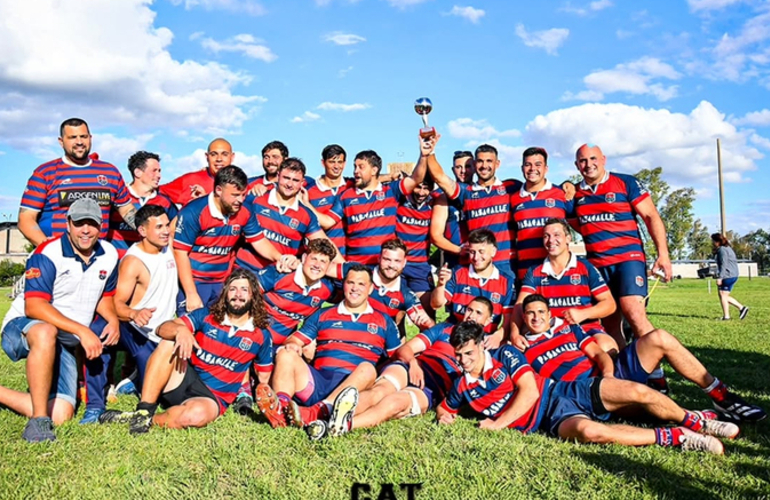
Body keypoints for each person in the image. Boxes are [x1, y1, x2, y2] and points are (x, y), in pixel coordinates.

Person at [436, 321, 736, 455]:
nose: (464, 361)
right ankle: (677, 436)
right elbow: (445, 406)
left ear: (482, 346)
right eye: (458, 355)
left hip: (561, 392)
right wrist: (443, 415)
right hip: (550, 420)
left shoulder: (505, 354)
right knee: (591, 432)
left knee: (637, 392)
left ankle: (697, 421)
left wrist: (497, 424)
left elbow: (530, 391)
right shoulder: (462, 385)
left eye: (469, 353)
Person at [520, 294, 766, 422]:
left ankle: (721, 396)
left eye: (541, 312)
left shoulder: (567, 329)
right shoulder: (523, 350)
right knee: (649, 407)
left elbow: (598, 354)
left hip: (611, 374)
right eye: (530, 313)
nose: (536, 317)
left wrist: (609, 375)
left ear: (549, 314)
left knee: (659, 337)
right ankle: (699, 417)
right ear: (523, 318)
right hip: (592, 393)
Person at [0, 198, 119, 442]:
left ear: (101, 226)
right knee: (46, 331)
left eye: (92, 224)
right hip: (22, 328)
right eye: (79, 223)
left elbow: (104, 297)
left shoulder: (109, 254)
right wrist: (82, 331)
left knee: (63, 414)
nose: (85, 230)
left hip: (62, 339)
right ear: (68, 224)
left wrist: (113, 319)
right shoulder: (47, 252)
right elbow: (34, 306)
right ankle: (38, 421)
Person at [98, 269, 273, 434]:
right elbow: (161, 329)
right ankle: (144, 410)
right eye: (233, 289)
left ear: (253, 296)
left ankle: (140, 419)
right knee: (169, 341)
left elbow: (264, 377)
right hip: (182, 377)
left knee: (195, 416)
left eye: (244, 290)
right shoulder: (207, 315)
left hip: (212, 397)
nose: (238, 294)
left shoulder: (261, 335)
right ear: (226, 293)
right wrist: (180, 330)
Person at [304, 297, 494, 439]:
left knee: (395, 404)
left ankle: (339, 426)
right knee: (380, 391)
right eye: (469, 310)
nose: (471, 316)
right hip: (414, 367)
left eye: (478, 313)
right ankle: (329, 414)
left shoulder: (488, 351)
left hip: (434, 387)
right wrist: (413, 363)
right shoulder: (444, 329)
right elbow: (405, 349)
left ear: (488, 320)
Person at [255, 264, 401, 432]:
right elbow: (294, 339)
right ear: (344, 285)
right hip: (318, 381)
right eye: (350, 282)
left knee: (368, 369)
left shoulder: (384, 321)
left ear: (370, 289)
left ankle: (318, 411)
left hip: (353, 387)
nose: (355, 288)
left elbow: (396, 357)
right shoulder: (323, 314)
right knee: (286, 353)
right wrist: (294, 345)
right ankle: (281, 409)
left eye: (361, 284)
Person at [79, 205, 180, 423]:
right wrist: (134, 313)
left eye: (166, 225)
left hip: (159, 333)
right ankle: (95, 407)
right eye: (159, 227)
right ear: (142, 231)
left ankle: (135, 380)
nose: (165, 231)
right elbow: (116, 303)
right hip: (134, 329)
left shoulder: (168, 245)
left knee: (165, 397)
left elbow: (183, 217)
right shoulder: (133, 262)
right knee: (98, 331)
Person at [571, 144, 672, 344]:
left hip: (628, 259)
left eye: (593, 158)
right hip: (597, 264)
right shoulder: (574, 193)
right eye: (583, 160)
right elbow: (578, 225)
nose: (589, 164)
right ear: (577, 165)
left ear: (604, 160)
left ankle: (658, 360)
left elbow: (651, 216)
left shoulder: (626, 182)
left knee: (633, 312)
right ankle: (622, 362)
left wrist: (663, 254)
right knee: (609, 322)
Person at [173, 165, 297, 315]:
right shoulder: (194, 211)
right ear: (219, 190)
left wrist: (280, 258)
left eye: (243, 194)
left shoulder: (245, 210)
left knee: (218, 326)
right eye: (235, 195)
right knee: (188, 326)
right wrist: (191, 293)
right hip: (195, 280)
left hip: (221, 282)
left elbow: (258, 240)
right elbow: (180, 252)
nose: (240, 200)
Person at [18, 118, 136, 245]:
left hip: (99, 254)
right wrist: (49, 249)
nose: (79, 142)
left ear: (90, 138)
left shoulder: (110, 172)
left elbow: (126, 210)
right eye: (72, 137)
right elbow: (25, 219)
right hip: (58, 254)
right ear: (61, 141)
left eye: (83, 136)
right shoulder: (45, 173)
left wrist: (148, 229)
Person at [513, 218, 617, 352]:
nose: (551, 240)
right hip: (551, 333)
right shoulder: (534, 272)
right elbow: (519, 305)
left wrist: (584, 314)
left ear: (568, 238)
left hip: (586, 328)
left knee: (607, 346)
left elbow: (609, 304)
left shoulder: (585, 267)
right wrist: (514, 334)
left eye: (556, 235)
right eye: (546, 236)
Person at [330, 138, 432, 266]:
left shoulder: (391, 191)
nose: (356, 171)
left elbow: (416, 178)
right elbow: (328, 221)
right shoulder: (346, 195)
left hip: (385, 266)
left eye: (361, 167)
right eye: (355, 167)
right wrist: (307, 205)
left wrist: (424, 155)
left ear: (374, 170)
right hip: (356, 267)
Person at [427, 143, 521, 275]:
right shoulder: (466, 192)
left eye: (489, 161)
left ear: (497, 164)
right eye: (480, 161)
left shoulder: (511, 187)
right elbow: (439, 177)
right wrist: (429, 152)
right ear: (475, 164)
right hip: (478, 264)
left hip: (506, 264)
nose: (484, 165)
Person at [235, 158, 335, 272]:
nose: (289, 184)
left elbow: (325, 244)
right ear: (278, 176)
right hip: (244, 270)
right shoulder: (254, 199)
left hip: (279, 274)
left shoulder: (307, 215)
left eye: (295, 180)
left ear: (302, 182)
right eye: (286, 178)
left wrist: (346, 267)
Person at [431, 229, 516, 347]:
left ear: (493, 251)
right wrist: (441, 285)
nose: (476, 257)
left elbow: (509, 317)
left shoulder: (507, 281)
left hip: (485, 341)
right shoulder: (458, 273)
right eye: (472, 252)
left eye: (481, 252)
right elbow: (436, 305)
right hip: (454, 336)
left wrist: (498, 336)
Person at [333, 238, 434, 333]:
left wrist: (427, 322)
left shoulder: (406, 295)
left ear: (404, 263)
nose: (391, 265)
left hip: (380, 340)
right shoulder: (358, 271)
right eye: (387, 259)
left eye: (397, 261)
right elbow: (326, 268)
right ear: (379, 258)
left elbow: (429, 326)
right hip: (347, 333)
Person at [509, 147, 572, 280]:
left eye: (538, 164)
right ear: (522, 168)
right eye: (528, 164)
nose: (532, 169)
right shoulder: (513, 199)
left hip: (557, 272)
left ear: (546, 168)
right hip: (526, 272)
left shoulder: (561, 194)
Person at [107, 151, 178, 258]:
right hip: (117, 261)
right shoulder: (118, 197)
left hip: (151, 262)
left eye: (159, 171)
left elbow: (174, 231)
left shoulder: (165, 202)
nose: (159, 175)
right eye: (154, 171)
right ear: (138, 172)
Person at [305, 144, 353, 257]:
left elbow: (372, 180)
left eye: (340, 162)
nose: (336, 166)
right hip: (322, 256)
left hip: (351, 256)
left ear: (345, 163)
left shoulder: (352, 186)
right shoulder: (309, 191)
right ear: (323, 163)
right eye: (332, 162)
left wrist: (389, 176)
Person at [430, 150, 473, 269]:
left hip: (479, 259)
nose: (463, 171)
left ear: (474, 167)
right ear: (453, 169)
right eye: (458, 167)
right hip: (454, 261)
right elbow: (436, 236)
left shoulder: (482, 193)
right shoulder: (442, 196)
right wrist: (459, 250)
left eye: (467, 166)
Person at [160, 138, 235, 206]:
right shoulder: (190, 180)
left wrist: (204, 201)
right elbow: (156, 192)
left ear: (232, 157)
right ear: (207, 157)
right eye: (213, 154)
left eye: (224, 154)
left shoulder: (240, 183)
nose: (219, 159)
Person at [396, 176, 436, 303]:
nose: (421, 192)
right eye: (418, 187)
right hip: (399, 263)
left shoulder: (434, 204)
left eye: (426, 188)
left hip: (421, 266)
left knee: (427, 308)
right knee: (397, 307)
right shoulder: (399, 199)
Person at [711, 233, 749, 320]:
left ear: (717, 241)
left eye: (713, 241)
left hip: (728, 275)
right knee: (723, 295)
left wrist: (720, 277)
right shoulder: (728, 248)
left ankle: (737, 310)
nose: (712, 243)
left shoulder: (722, 250)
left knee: (723, 295)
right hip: (733, 274)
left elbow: (724, 264)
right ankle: (734, 312)